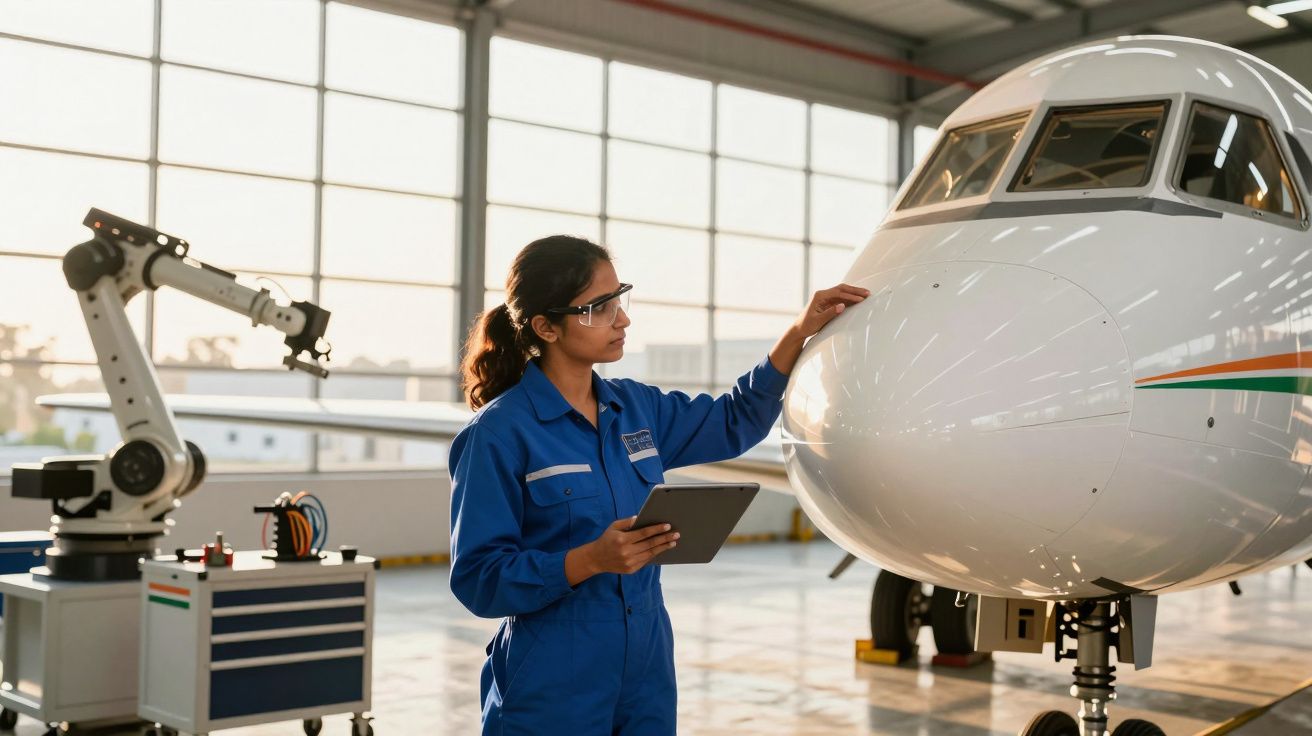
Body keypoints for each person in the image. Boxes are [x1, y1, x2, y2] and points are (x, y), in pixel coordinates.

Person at [448, 234, 869, 735]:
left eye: (619, 299)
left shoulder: (636, 409)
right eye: (599, 308)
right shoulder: (498, 434)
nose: (621, 320)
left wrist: (799, 332)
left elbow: (734, 420)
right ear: (546, 327)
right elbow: (478, 579)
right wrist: (590, 560)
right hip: (551, 681)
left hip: (645, 672)